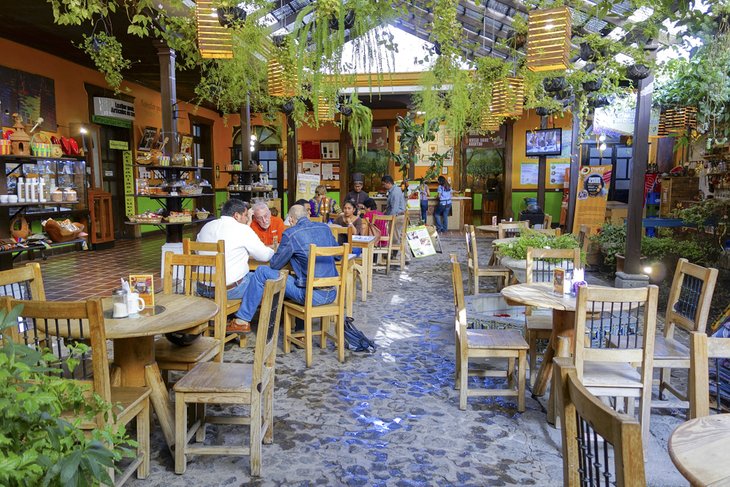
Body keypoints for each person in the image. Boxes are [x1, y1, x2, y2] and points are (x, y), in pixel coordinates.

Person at [233, 205, 339, 328]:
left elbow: (275, 264)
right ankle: (300, 332)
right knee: (299, 277)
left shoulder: (291, 233)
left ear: (292, 219)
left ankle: (242, 320)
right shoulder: (325, 228)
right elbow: (338, 256)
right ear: (307, 215)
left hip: (310, 296)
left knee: (261, 271)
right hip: (331, 294)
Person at [196, 199, 275, 333]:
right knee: (262, 277)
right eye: (245, 216)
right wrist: (274, 249)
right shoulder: (242, 229)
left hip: (203, 288)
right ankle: (242, 320)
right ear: (237, 215)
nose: (246, 219)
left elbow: (198, 251)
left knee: (248, 276)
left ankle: (232, 317)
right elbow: (264, 256)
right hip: (228, 290)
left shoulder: (206, 226)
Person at [381, 174, 405, 245]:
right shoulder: (394, 190)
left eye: (384, 184)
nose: (383, 186)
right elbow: (390, 206)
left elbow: (394, 208)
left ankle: (395, 254)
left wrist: (389, 219)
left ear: (388, 183)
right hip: (397, 216)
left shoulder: (395, 192)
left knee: (395, 237)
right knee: (401, 237)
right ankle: (405, 256)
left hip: (397, 217)